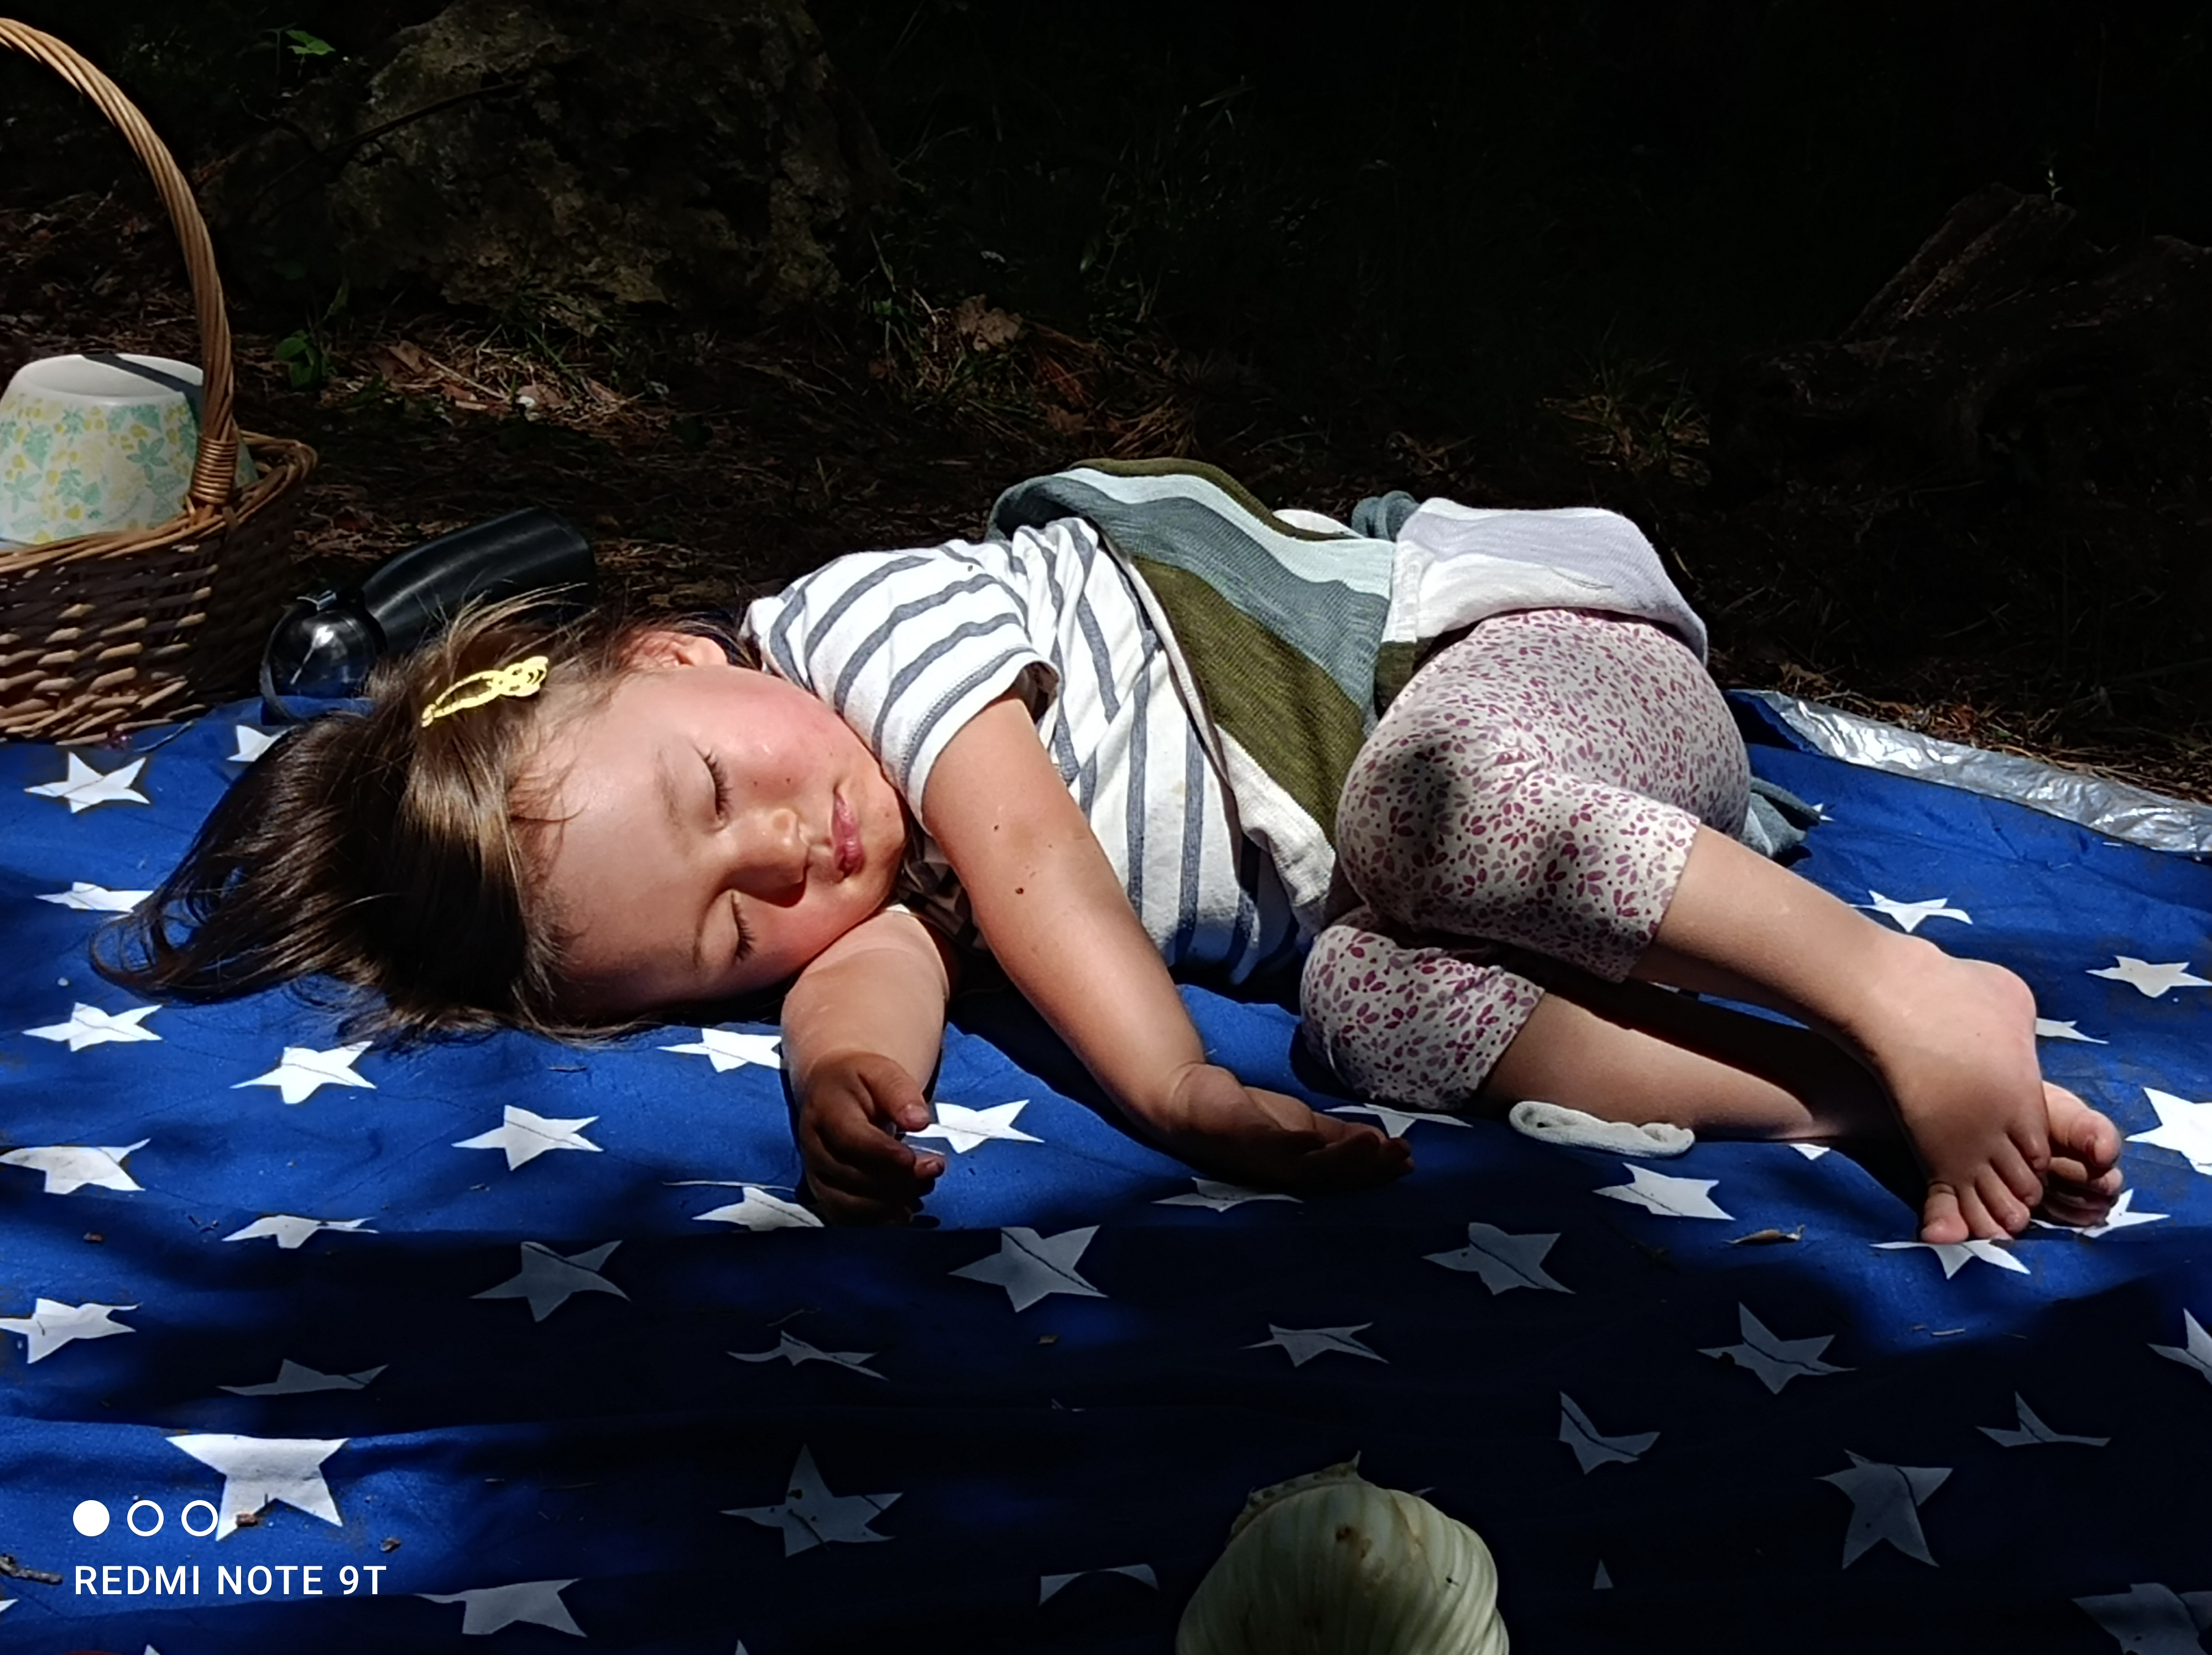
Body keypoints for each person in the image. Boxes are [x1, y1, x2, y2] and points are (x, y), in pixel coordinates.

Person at [103, 461, 2121, 1240]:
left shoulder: (863, 626)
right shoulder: (849, 875)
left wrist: (1168, 1087)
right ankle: (1850, 1087)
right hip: (1475, 875)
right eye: (726, 935)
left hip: (1522, 672)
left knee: (1423, 808)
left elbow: (1035, 864)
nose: (793, 857)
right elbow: (876, 958)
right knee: (1368, 1008)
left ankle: (1893, 982)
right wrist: (844, 1082)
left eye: (725, 797)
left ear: (680, 655)